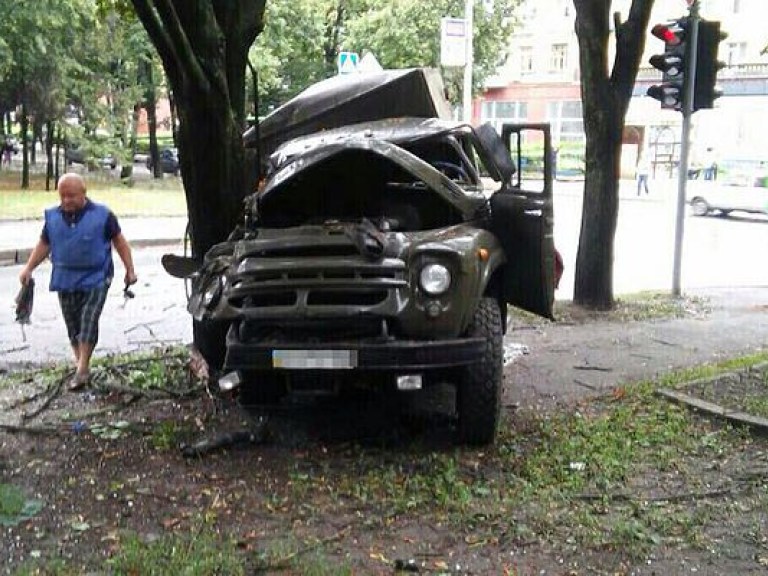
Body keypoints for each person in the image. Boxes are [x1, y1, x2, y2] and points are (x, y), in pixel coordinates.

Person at [18, 173, 137, 390]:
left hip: (97, 277)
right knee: (73, 324)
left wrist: (130, 270)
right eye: (62, 195)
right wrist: (28, 267)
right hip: (65, 278)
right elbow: (44, 244)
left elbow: (120, 243)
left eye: (71, 195)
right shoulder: (53, 218)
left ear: (84, 193)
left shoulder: (103, 215)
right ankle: (81, 362)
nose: (66, 200)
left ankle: (82, 369)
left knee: (88, 320)